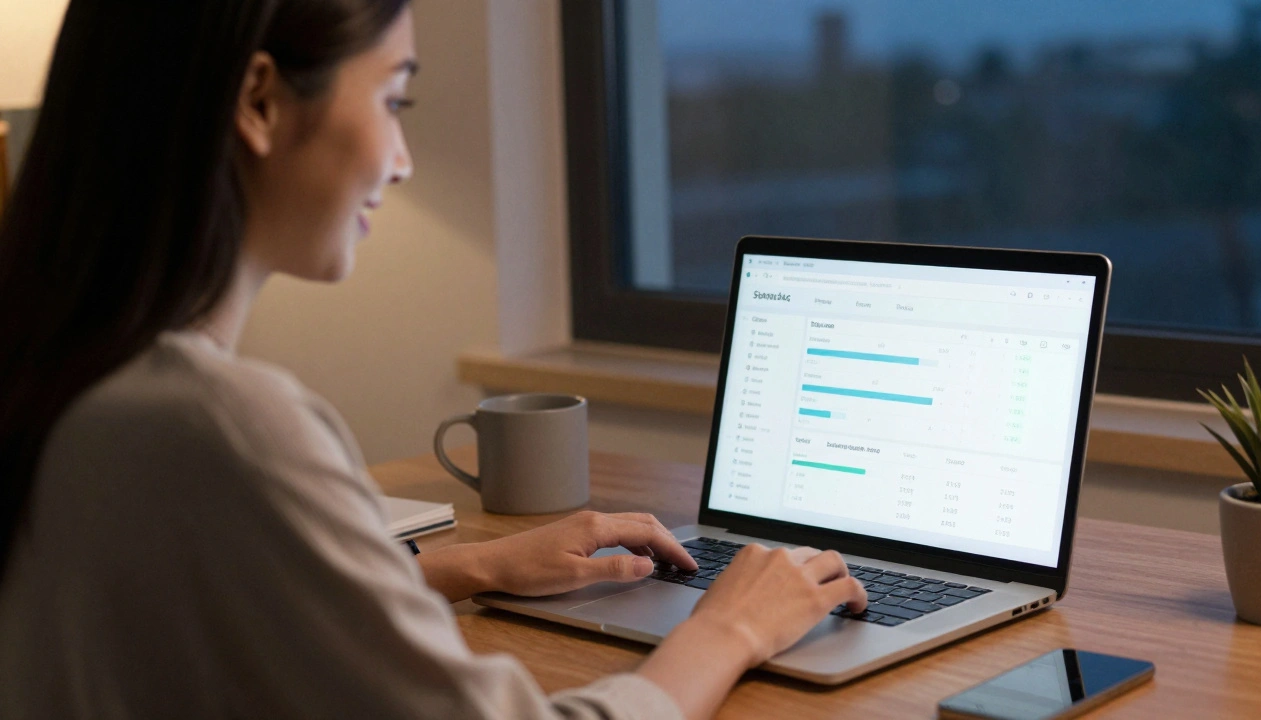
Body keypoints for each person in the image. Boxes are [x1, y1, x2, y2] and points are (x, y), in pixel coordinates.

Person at [0, 1, 867, 718]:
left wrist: (472, 564)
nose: (403, 161)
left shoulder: (70, 379)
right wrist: (731, 629)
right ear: (260, 101)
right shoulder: (222, 427)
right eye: (393, 101)